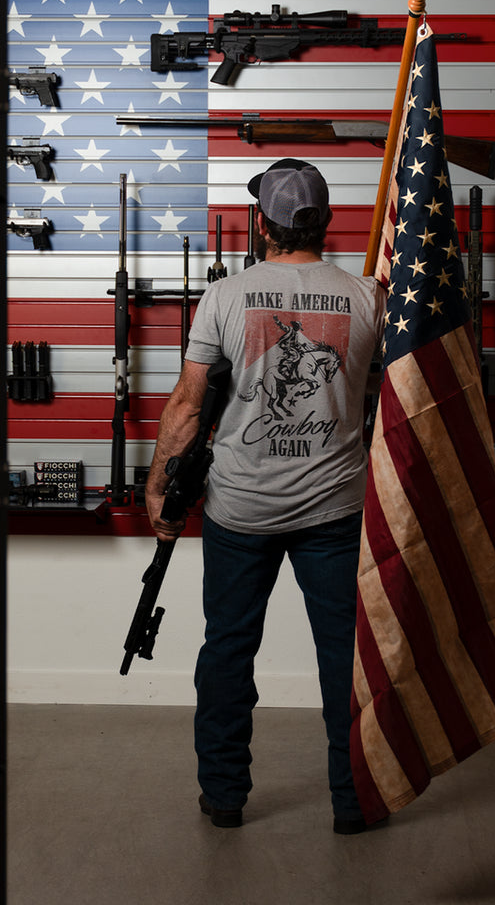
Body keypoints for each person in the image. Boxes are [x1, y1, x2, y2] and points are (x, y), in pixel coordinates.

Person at [143, 157, 385, 835]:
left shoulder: (225, 296)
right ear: (326, 219)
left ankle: (224, 797)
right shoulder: (370, 297)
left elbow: (189, 404)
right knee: (345, 658)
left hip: (240, 510)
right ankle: (353, 802)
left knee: (228, 650)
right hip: (335, 509)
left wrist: (159, 491)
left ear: (262, 223)